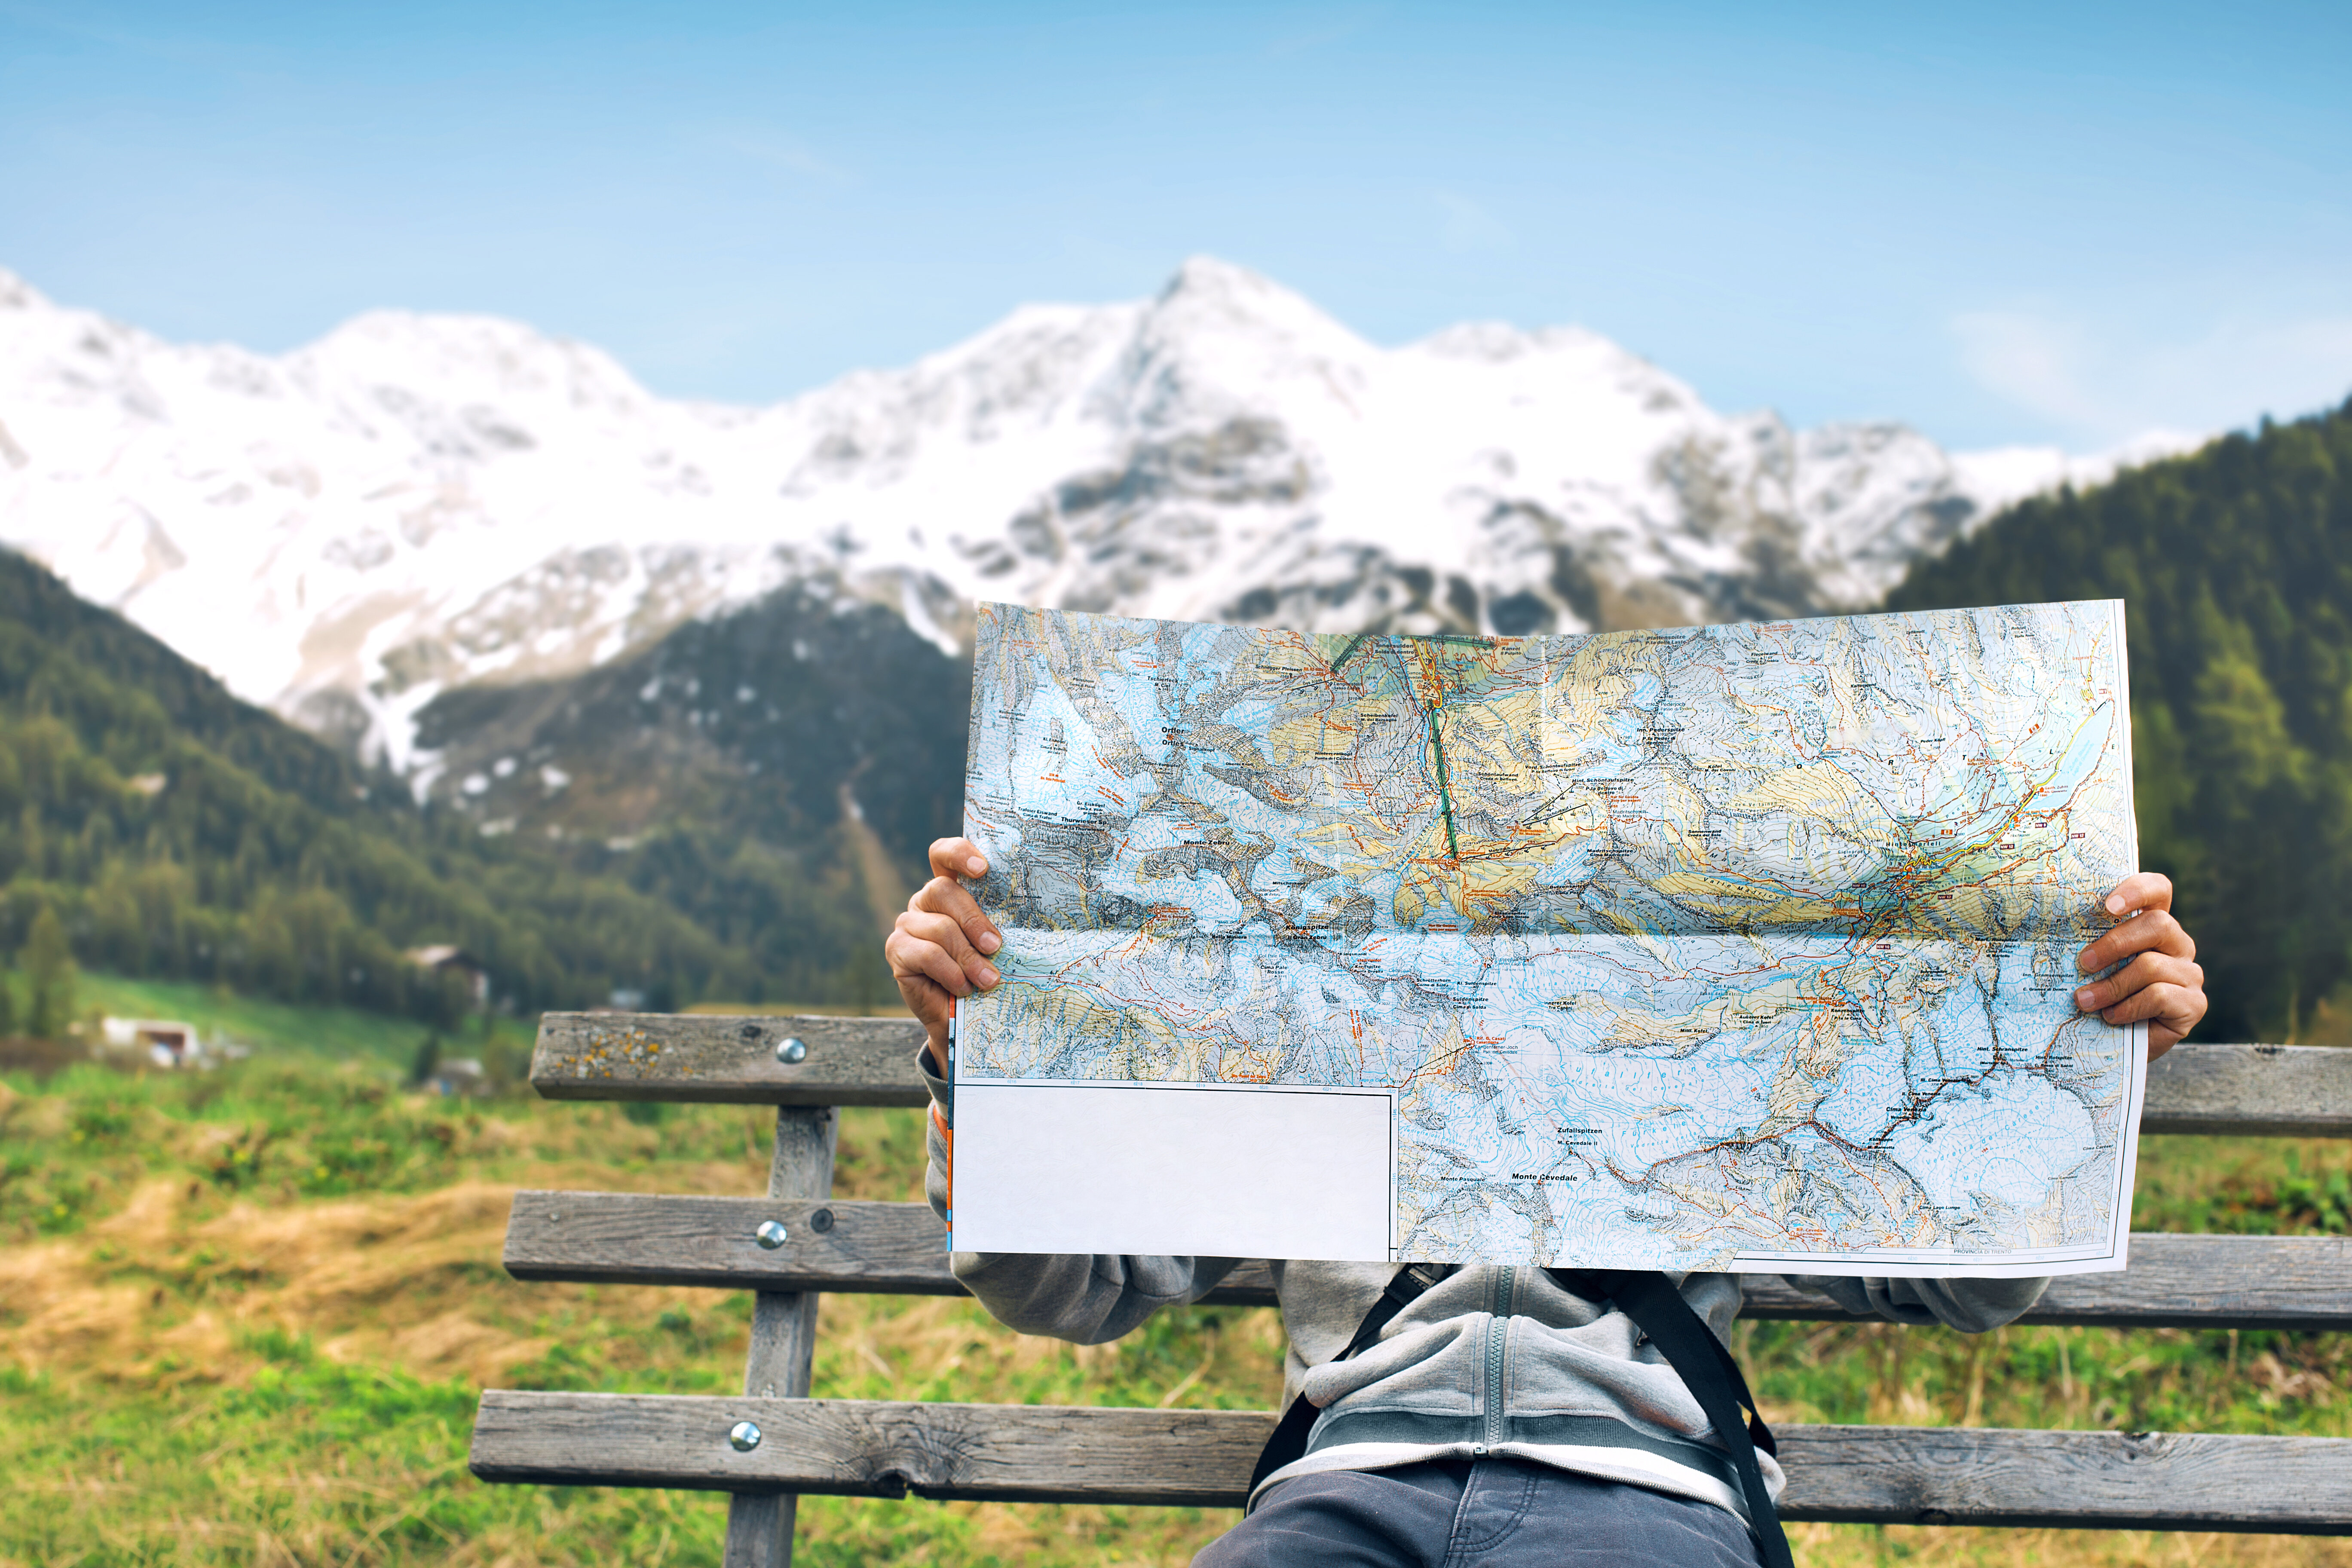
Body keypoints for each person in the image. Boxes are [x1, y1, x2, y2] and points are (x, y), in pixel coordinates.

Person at [887, 834, 2208, 1567]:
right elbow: (1073, 1283)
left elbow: (1956, 1282)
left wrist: (2078, 1058)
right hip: (1342, 1487)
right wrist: (981, 1057)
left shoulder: (1736, 1026)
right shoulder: (1294, 1005)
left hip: (1647, 1491)